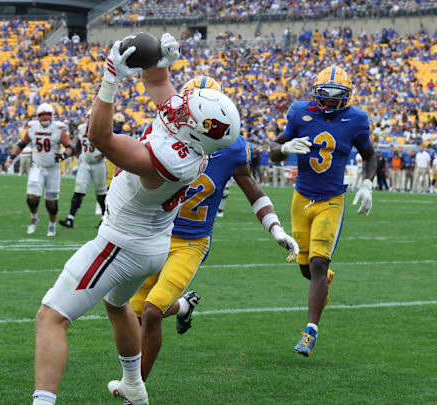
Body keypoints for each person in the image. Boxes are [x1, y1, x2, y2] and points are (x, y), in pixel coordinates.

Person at [32, 34, 239, 405]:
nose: (180, 105)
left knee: (50, 317)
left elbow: (100, 138)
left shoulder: (171, 160)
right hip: (152, 245)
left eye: (188, 108)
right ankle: (134, 385)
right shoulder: (192, 138)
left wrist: (110, 77)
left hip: (120, 243)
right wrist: (161, 62)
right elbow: (159, 83)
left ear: (194, 129)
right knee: (117, 305)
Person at [128, 76, 299, 383]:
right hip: (156, 233)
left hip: (191, 243)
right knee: (133, 313)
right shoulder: (166, 135)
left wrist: (276, 229)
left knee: (152, 312)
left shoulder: (233, 148)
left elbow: (253, 191)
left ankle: (135, 390)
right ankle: (183, 306)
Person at [269, 65, 376, 357]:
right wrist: (287, 146)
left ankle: (310, 331)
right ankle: (324, 280)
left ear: (346, 97)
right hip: (300, 197)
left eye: (335, 96)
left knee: (317, 263)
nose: (328, 101)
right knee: (306, 267)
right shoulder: (299, 112)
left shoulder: (355, 119)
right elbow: (272, 151)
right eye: (324, 96)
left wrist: (366, 183)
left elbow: (369, 155)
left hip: (331, 200)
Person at [6, 103, 72, 236]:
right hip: (37, 167)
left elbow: (70, 148)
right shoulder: (32, 126)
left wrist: (63, 155)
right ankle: (34, 217)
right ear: (38, 116)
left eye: (48, 114)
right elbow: (22, 143)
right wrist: (12, 157)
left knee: (51, 201)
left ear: (52, 115)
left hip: (53, 168)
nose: (45, 117)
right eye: (42, 115)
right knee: (32, 197)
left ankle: (52, 225)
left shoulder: (59, 128)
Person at [58, 109, 107, 228]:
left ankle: (105, 219)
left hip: (99, 164)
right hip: (85, 162)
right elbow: (79, 145)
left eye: (93, 117)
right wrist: (69, 155)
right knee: (79, 189)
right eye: (89, 117)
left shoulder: (103, 129)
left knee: (101, 192)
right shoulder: (81, 129)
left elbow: (109, 145)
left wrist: (102, 154)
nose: (91, 120)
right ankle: (70, 218)